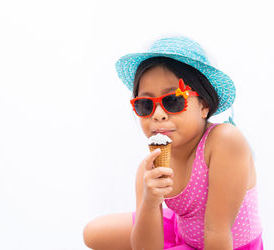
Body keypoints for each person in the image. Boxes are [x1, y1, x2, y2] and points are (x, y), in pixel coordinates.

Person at [83, 36, 263, 250]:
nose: (158, 115)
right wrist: (151, 202)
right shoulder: (149, 167)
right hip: (183, 230)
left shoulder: (224, 141)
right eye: (145, 105)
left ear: (204, 105)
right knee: (93, 233)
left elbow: (217, 234)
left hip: (222, 243)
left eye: (173, 101)